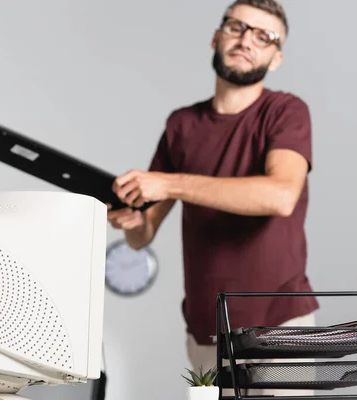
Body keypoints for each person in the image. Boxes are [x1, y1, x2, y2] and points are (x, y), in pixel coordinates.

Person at [107, 0, 319, 396]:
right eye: (237, 27)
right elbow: (143, 235)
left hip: (280, 325)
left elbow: (281, 196)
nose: (246, 41)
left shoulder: (285, 112)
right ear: (216, 37)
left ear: (276, 58)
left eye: (264, 36)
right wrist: (136, 222)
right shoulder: (180, 125)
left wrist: (170, 184)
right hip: (207, 331)